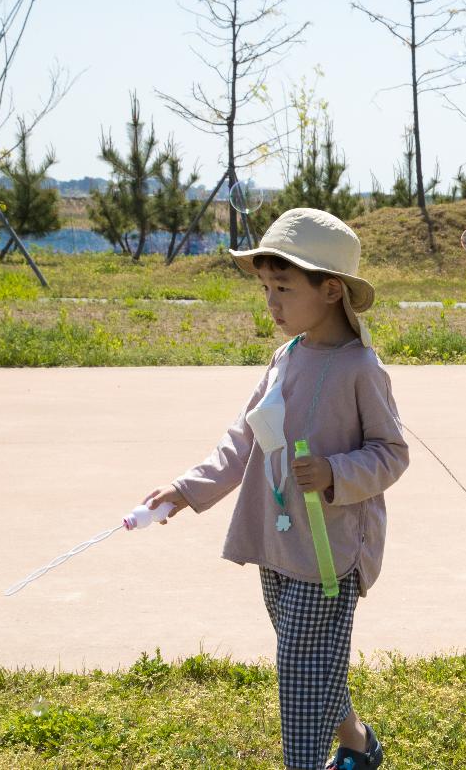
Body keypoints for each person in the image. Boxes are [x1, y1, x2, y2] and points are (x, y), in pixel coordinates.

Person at [142, 208, 408, 770]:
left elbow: (392, 453)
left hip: (328, 553)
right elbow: (245, 438)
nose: (271, 302)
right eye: (266, 288)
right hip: (277, 542)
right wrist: (186, 490)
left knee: (300, 673)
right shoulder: (285, 358)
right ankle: (359, 743)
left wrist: (337, 473)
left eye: (283, 288)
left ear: (331, 290)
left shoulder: (361, 368)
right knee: (311, 661)